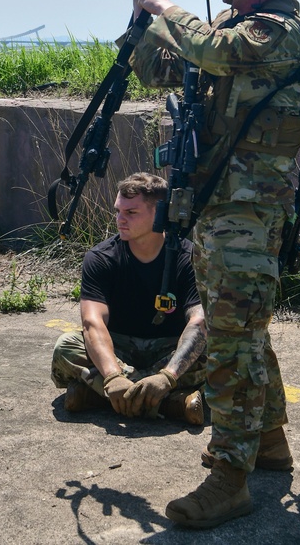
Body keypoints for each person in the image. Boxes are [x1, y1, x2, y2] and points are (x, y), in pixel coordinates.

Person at [127, 0, 300, 528]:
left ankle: (229, 475)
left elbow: (209, 48)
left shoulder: (277, 31)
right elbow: (160, 69)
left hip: (249, 213)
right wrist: (141, 20)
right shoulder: (232, 28)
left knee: (232, 341)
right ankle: (267, 444)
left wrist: (168, 8)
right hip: (218, 208)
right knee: (244, 330)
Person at [50, 172, 207, 426]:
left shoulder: (189, 257)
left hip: (169, 351)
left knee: (218, 348)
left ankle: (100, 397)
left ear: (159, 213)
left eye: (131, 213)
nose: (120, 220)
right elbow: (92, 323)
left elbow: (199, 322)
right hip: (118, 351)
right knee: (66, 346)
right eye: (118, 211)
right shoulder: (100, 258)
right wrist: (113, 376)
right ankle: (169, 403)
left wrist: (168, 375)